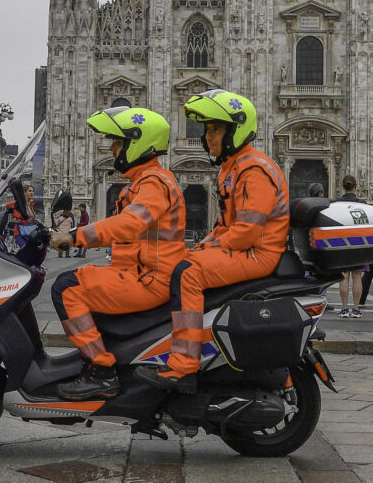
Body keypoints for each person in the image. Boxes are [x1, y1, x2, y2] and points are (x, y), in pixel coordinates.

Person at [136, 89, 289, 394]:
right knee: (180, 261)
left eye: (215, 129)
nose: (208, 137)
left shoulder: (254, 169)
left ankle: (184, 364)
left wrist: (209, 248)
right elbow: (225, 225)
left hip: (259, 253)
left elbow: (246, 231)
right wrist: (204, 244)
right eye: (207, 130)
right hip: (246, 249)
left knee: (188, 273)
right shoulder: (233, 167)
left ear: (236, 131)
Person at [47, 106, 185, 400]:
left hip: (149, 279)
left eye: (119, 142)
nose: (111, 148)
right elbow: (120, 232)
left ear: (138, 143)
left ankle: (101, 371)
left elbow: (129, 223)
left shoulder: (155, 183)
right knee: (80, 279)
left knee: (67, 288)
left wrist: (74, 236)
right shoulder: (143, 183)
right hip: (136, 273)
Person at [333, 175, 364, 318]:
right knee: (357, 276)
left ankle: (344, 308)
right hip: (358, 243)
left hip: (342, 243)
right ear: (355, 186)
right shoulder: (362, 204)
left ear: (342, 186)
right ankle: (356, 309)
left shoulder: (336, 204)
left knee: (344, 276)